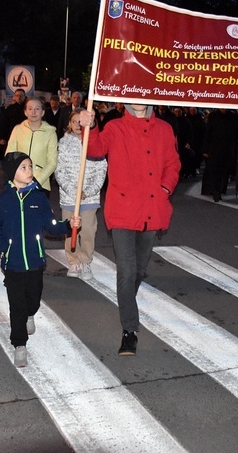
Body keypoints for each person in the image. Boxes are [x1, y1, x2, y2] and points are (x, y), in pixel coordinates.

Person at [79, 103, 181, 356]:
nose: (137, 99)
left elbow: (173, 163)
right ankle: (129, 330)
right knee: (127, 271)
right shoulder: (115, 127)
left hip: (151, 208)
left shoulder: (165, 129)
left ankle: (127, 301)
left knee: (139, 270)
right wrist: (89, 126)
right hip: (122, 210)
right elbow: (94, 149)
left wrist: (165, 189)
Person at [0, 152, 80, 368]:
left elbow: (51, 225)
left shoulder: (39, 198)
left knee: (33, 298)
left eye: (30, 166)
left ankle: (31, 313)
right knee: (16, 305)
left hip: (35, 262)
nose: (29, 171)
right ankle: (19, 344)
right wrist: (5, 250)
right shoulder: (2, 201)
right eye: (24, 167)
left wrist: (69, 225)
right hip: (13, 264)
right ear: (13, 174)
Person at [55, 109, 107, 278]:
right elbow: (59, 170)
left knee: (88, 231)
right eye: (74, 121)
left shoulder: (94, 141)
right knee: (71, 231)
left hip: (89, 197)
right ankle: (73, 261)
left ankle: (85, 261)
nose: (78, 125)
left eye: (81, 121)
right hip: (69, 196)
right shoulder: (63, 143)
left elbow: (102, 168)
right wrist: (73, 190)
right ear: (69, 124)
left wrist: (89, 190)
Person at [5, 96, 58, 196]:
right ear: (25, 112)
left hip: (41, 185)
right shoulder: (17, 129)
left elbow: (52, 162)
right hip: (18, 183)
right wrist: (17, 178)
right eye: (30, 108)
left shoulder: (50, 133)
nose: (33, 112)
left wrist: (36, 181)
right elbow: (9, 155)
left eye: (37, 109)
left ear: (42, 112)